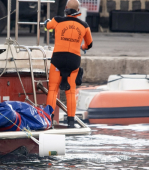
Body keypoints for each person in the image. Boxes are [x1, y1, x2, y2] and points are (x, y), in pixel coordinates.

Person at [44, 0, 93, 128]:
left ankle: (49, 120)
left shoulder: (58, 20)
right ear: (78, 10)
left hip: (58, 59)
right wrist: (82, 46)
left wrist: (45, 23)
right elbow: (89, 44)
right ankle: (71, 122)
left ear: (66, 8)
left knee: (53, 89)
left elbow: (47, 26)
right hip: (74, 61)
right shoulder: (84, 26)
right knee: (71, 92)